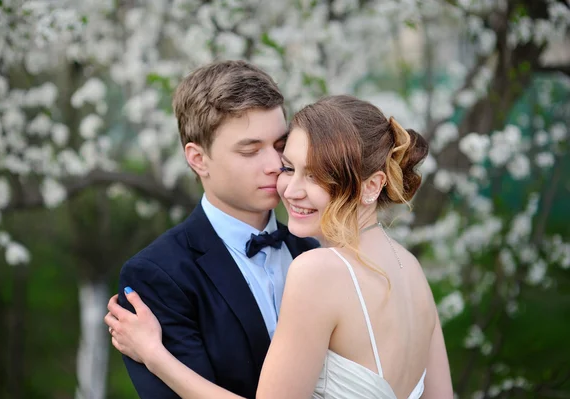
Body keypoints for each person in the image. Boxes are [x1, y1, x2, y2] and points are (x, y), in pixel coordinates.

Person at [105, 95, 454, 398]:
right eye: (290, 167)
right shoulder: (411, 268)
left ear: (371, 186)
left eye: (317, 175)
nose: (288, 187)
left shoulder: (315, 269)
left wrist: (155, 356)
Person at [110, 60, 319, 399]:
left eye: (280, 146)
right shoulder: (156, 276)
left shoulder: (316, 248)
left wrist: (156, 356)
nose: (274, 165)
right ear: (197, 159)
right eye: (250, 150)